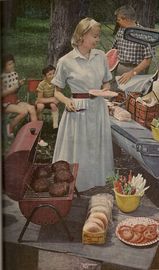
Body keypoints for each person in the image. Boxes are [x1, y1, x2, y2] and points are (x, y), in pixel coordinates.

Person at [51, 17, 114, 192]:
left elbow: (107, 83)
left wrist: (105, 91)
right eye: (94, 36)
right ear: (81, 36)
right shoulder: (66, 61)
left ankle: (97, 182)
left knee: (96, 145)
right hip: (78, 109)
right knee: (80, 148)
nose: (98, 39)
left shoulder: (100, 56)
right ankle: (77, 184)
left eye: (98, 36)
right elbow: (56, 91)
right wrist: (66, 101)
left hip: (98, 108)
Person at [112, 5, 153, 85]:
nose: (117, 22)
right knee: (119, 95)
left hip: (136, 71)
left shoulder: (144, 34)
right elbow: (114, 50)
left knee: (134, 95)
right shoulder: (120, 31)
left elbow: (148, 60)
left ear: (125, 19)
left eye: (119, 19)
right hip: (120, 69)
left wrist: (132, 73)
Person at [1, 53, 37, 138]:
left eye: (12, 63)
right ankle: (10, 127)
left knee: (31, 108)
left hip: (14, 100)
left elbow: (16, 91)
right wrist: (12, 89)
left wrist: (19, 85)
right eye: (9, 64)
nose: (12, 65)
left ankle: (35, 134)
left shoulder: (14, 74)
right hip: (5, 103)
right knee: (24, 111)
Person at [35, 65, 59, 129]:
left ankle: (55, 126)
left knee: (53, 105)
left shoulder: (56, 83)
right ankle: (40, 123)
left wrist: (54, 100)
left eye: (54, 73)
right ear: (45, 77)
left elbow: (57, 97)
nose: (53, 75)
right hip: (42, 101)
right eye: (49, 74)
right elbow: (39, 99)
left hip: (52, 102)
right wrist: (51, 99)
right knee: (40, 106)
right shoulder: (42, 84)